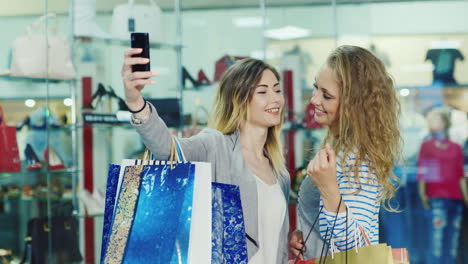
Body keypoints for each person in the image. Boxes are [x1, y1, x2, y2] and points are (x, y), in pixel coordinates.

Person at [122, 49, 290, 264]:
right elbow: (167, 150)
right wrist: (136, 103)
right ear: (238, 99)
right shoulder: (215, 145)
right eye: (263, 92)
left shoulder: (278, 171)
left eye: (277, 90)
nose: (275, 99)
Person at [289, 45, 401, 260]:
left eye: (327, 96)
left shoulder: (355, 158)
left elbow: (356, 247)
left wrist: (328, 188)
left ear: (351, 105)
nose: (314, 100)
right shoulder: (342, 147)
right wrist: (305, 233)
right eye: (316, 87)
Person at [417, 108, 467, 264]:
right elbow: (422, 171)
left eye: (435, 119)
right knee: (436, 240)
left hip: (455, 198)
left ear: (444, 122)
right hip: (436, 198)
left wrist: (466, 197)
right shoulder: (426, 145)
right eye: (430, 120)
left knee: (452, 239)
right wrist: (422, 194)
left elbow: (460, 175)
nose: (431, 123)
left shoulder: (456, 147)